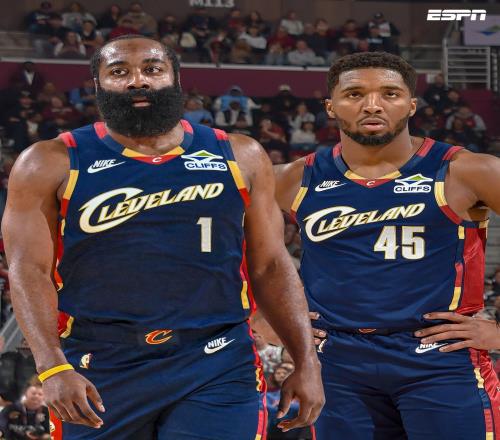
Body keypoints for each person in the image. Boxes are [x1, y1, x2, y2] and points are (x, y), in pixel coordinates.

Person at [2, 35, 324, 440]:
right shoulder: (49, 162)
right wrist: (51, 366)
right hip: (100, 361)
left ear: (175, 78)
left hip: (217, 361)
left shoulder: (240, 155)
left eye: (152, 69)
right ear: (98, 85)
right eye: (119, 71)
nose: (138, 80)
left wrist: (306, 361)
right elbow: (28, 271)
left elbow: (272, 265)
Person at [274, 52, 500, 439]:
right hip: (337, 361)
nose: (372, 105)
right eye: (355, 94)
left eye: (390, 93)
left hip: (440, 359)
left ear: (411, 104)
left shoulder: (468, 170)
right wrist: (268, 321)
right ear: (330, 106)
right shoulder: (293, 178)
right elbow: (234, 253)